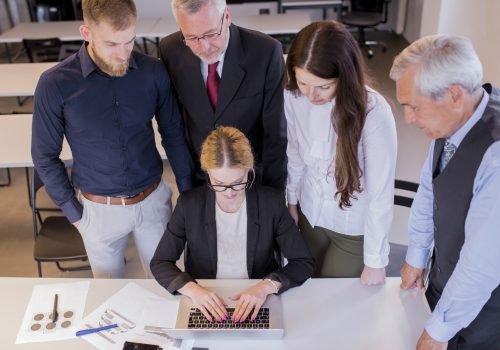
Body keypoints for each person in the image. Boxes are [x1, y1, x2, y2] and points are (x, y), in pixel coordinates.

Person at [31, 0, 194, 279]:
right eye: (111, 44)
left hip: (153, 202)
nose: (123, 54)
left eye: (129, 41)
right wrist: (77, 216)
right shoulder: (55, 83)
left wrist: (188, 194)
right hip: (97, 211)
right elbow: (44, 156)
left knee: (168, 290)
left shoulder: (153, 71)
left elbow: (174, 135)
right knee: (110, 300)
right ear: (86, 33)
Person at [390, 34, 500, 350]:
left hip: (485, 314)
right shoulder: (452, 121)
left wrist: (439, 330)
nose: (408, 119)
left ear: (454, 95)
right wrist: (417, 255)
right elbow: (430, 187)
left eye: (413, 107)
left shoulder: (496, 155)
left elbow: (481, 264)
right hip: (446, 281)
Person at [151, 126, 314, 322]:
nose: (229, 193)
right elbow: (160, 262)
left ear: (249, 169)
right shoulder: (189, 204)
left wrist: (265, 286)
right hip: (205, 297)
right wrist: (193, 290)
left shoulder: (270, 202)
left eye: (238, 182)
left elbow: (303, 261)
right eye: (219, 183)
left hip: (256, 297)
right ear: (207, 173)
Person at [284, 21, 397, 284]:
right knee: (303, 291)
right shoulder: (293, 97)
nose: (312, 95)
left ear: (345, 76)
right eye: (303, 83)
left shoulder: (374, 112)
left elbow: (381, 192)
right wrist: (291, 202)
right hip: (309, 217)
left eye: (323, 87)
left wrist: (375, 261)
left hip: (352, 229)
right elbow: (295, 154)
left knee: (333, 302)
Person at [159, 0, 287, 190]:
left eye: (211, 34)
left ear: (227, 16)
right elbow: (175, 127)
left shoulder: (265, 53)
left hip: (252, 178)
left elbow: (275, 134)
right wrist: (186, 188)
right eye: (192, 38)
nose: (204, 46)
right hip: (200, 180)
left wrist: (272, 195)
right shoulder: (170, 51)